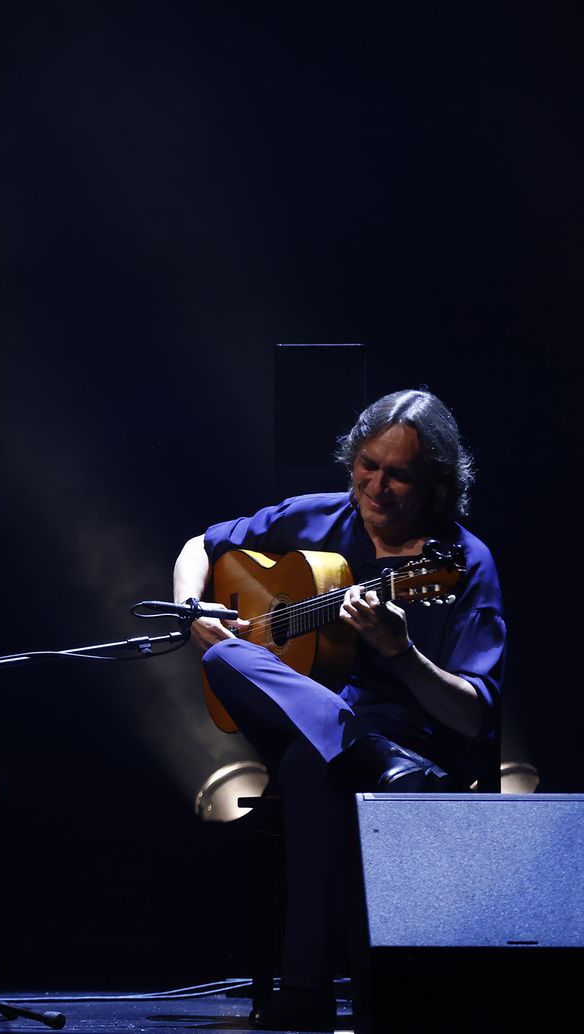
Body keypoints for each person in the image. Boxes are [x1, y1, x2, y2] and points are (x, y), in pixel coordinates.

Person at [172, 388, 505, 1031]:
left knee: (311, 764)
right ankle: (363, 754)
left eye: (398, 474)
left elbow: (473, 716)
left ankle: (305, 990)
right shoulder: (318, 518)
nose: (376, 487)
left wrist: (402, 653)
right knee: (224, 656)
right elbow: (199, 545)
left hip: (413, 741)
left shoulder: (463, 564)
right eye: (367, 466)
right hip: (349, 740)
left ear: (437, 483)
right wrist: (194, 610)